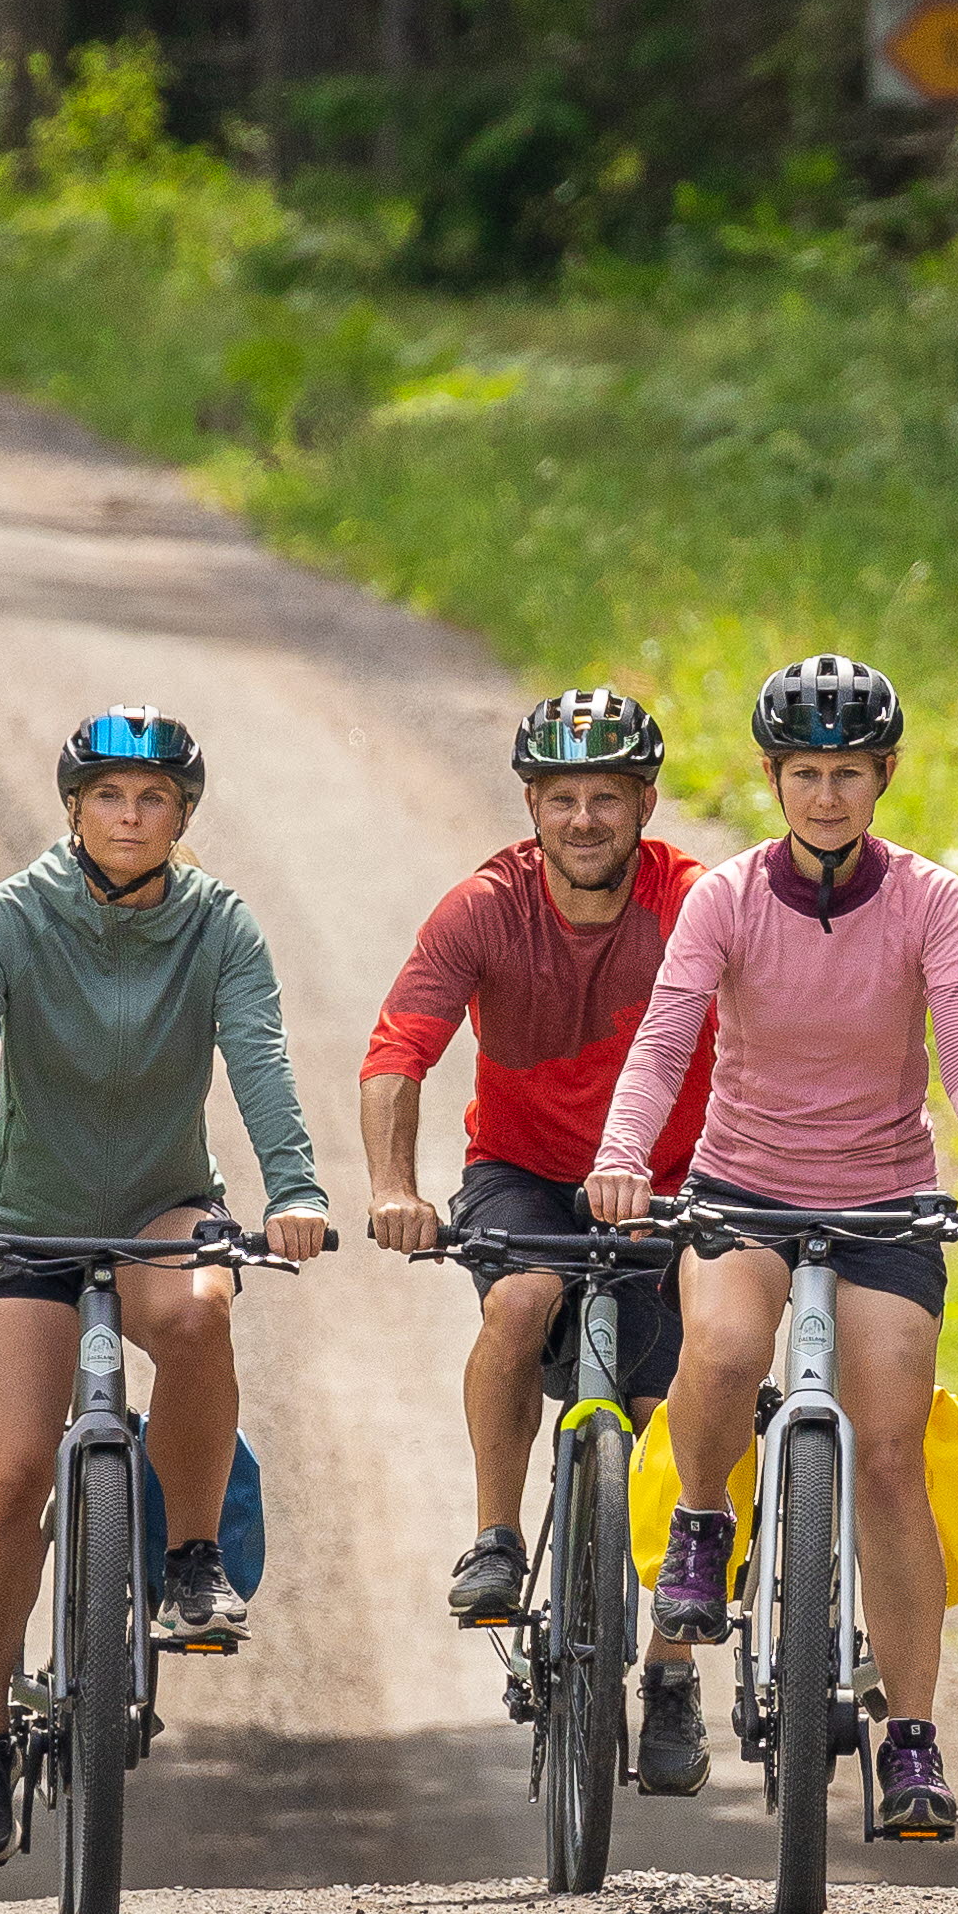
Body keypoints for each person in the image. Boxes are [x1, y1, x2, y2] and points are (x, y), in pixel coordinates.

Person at [587, 652, 958, 1845]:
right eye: (805, 775)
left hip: (886, 1204)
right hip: (741, 1189)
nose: (827, 798)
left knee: (892, 1450)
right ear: (771, 778)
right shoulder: (728, 897)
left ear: (883, 776)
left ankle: (910, 1737)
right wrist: (622, 1154)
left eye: (848, 773)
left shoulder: (929, 901)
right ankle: (701, 1524)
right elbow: (663, 1040)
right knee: (724, 1344)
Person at [0, 705, 333, 1864]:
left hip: (158, 1209)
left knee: (194, 1310)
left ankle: (187, 1558)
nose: (130, 819)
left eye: (154, 802)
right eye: (109, 800)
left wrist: (295, 1191)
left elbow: (260, 1057)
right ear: (74, 810)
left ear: (183, 816)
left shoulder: (220, 926)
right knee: (12, 1465)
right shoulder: (10, 920)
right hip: (20, 1222)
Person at [357, 684, 723, 1793]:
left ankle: (668, 1672)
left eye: (604, 797)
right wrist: (390, 1187)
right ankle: (495, 1539)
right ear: (529, 804)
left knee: (688, 1392)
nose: (582, 820)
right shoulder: (482, 908)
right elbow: (397, 1051)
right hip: (521, 1174)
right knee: (518, 1303)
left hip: (670, 1179)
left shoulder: (696, 903)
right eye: (559, 797)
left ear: (644, 803)